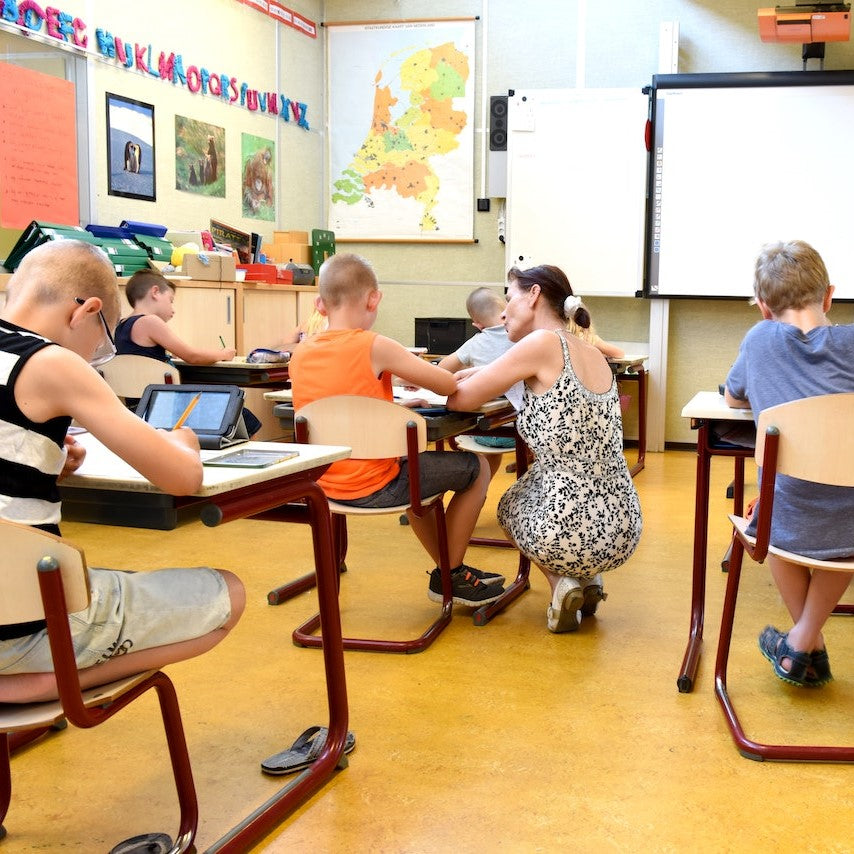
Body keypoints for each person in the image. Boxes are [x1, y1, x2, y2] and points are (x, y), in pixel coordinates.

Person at [0, 240, 245, 703]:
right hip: (19, 631)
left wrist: (44, 461)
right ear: (87, 311)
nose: (96, 353)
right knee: (227, 593)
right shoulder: (52, 361)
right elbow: (182, 479)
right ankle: (42, 685)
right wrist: (181, 443)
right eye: (103, 339)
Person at [288, 253, 506, 607]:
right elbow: (445, 384)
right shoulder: (375, 345)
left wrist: (386, 407)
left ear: (320, 304)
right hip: (376, 484)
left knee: (417, 474)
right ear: (374, 298)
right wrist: (465, 376)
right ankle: (449, 575)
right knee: (476, 468)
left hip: (321, 486)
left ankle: (449, 571)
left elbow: (336, 405)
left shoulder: (300, 353)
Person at [447, 264, 642, 633]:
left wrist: (439, 379)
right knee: (542, 483)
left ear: (534, 295)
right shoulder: (587, 349)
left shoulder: (539, 343)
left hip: (568, 530)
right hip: (623, 524)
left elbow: (462, 400)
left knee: (509, 504)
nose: (503, 312)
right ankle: (587, 580)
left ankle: (561, 585)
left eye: (510, 298)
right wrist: (482, 373)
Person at [724, 239, 854, 687]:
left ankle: (801, 643)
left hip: (784, 523)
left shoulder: (760, 339)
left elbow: (732, 395)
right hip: (852, 526)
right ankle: (805, 640)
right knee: (835, 526)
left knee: (772, 506)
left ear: (763, 307)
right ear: (830, 295)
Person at [116, 268, 261, 435]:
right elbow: (192, 356)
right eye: (170, 300)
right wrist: (223, 354)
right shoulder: (150, 322)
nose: (173, 309)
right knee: (240, 413)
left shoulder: (121, 325)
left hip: (135, 408)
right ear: (155, 292)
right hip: (164, 407)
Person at [438, 287, 519, 472]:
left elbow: (441, 370)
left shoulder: (475, 343)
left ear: (477, 324)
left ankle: (482, 487)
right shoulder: (521, 337)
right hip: (519, 431)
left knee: (489, 454)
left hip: (484, 432)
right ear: (506, 310)